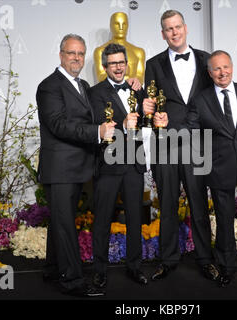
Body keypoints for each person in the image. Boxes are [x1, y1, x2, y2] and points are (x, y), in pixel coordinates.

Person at [162, 50, 237, 287]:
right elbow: (190, 128)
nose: (222, 72)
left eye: (225, 67)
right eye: (216, 69)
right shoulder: (201, 99)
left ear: (232, 67)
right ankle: (227, 267)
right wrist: (168, 128)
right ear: (209, 73)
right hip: (220, 167)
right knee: (224, 221)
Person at [36, 34, 115, 297]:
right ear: (61, 55)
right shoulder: (50, 86)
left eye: (81, 53)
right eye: (72, 53)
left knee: (61, 220)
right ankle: (72, 281)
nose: (77, 58)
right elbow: (58, 124)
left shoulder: (81, 84)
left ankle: (52, 268)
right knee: (65, 223)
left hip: (75, 167)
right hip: (60, 169)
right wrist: (97, 132)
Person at [143, 10, 218, 282]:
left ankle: (205, 259)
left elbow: (219, 91)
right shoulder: (153, 64)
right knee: (167, 204)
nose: (174, 33)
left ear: (185, 28)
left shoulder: (206, 60)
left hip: (198, 142)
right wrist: (150, 115)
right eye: (168, 29)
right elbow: (147, 105)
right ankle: (168, 260)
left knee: (199, 203)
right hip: (166, 144)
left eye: (177, 27)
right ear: (163, 34)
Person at [88, 43, 148, 288]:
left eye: (121, 62)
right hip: (109, 166)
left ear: (126, 63)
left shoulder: (137, 89)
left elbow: (145, 121)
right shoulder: (94, 93)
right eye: (113, 63)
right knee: (102, 220)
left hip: (134, 164)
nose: (118, 67)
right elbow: (99, 124)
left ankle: (134, 267)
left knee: (135, 219)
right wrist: (123, 124)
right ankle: (100, 271)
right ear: (104, 67)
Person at [94, 12, 146, 84]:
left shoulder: (139, 52)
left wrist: (131, 81)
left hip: (133, 93)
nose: (121, 27)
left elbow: (140, 77)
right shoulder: (100, 51)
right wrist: (125, 79)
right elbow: (101, 77)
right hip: (108, 94)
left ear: (128, 26)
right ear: (111, 26)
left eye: (124, 24)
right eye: (117, 24)